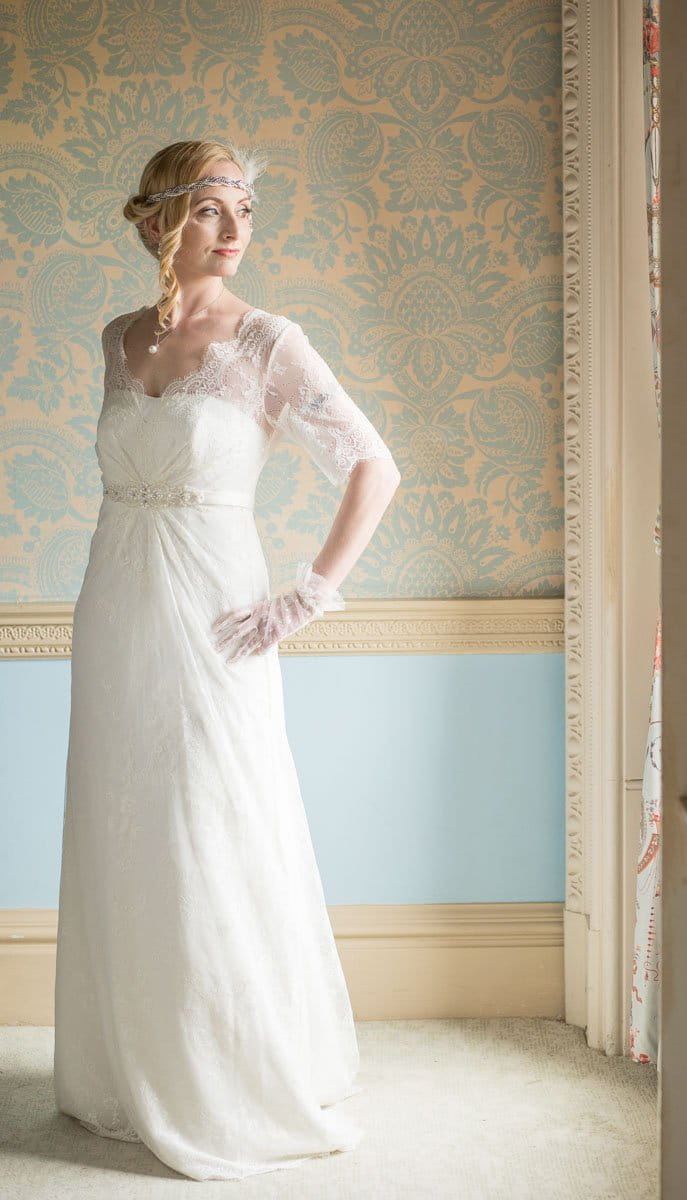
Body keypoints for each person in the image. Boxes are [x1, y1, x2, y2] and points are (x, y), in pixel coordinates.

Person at [52, 137, 401, 1182]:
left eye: (245, 207)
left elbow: (373, 466)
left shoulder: (268, 341)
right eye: (211, 208)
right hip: (115, 596)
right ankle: (126, 1065)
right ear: (158, 220)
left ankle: (236, 1073)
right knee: (124, 817)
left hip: (217, 603)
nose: (237, 229)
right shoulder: (117, 339)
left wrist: (308, 593)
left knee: (213, 816)